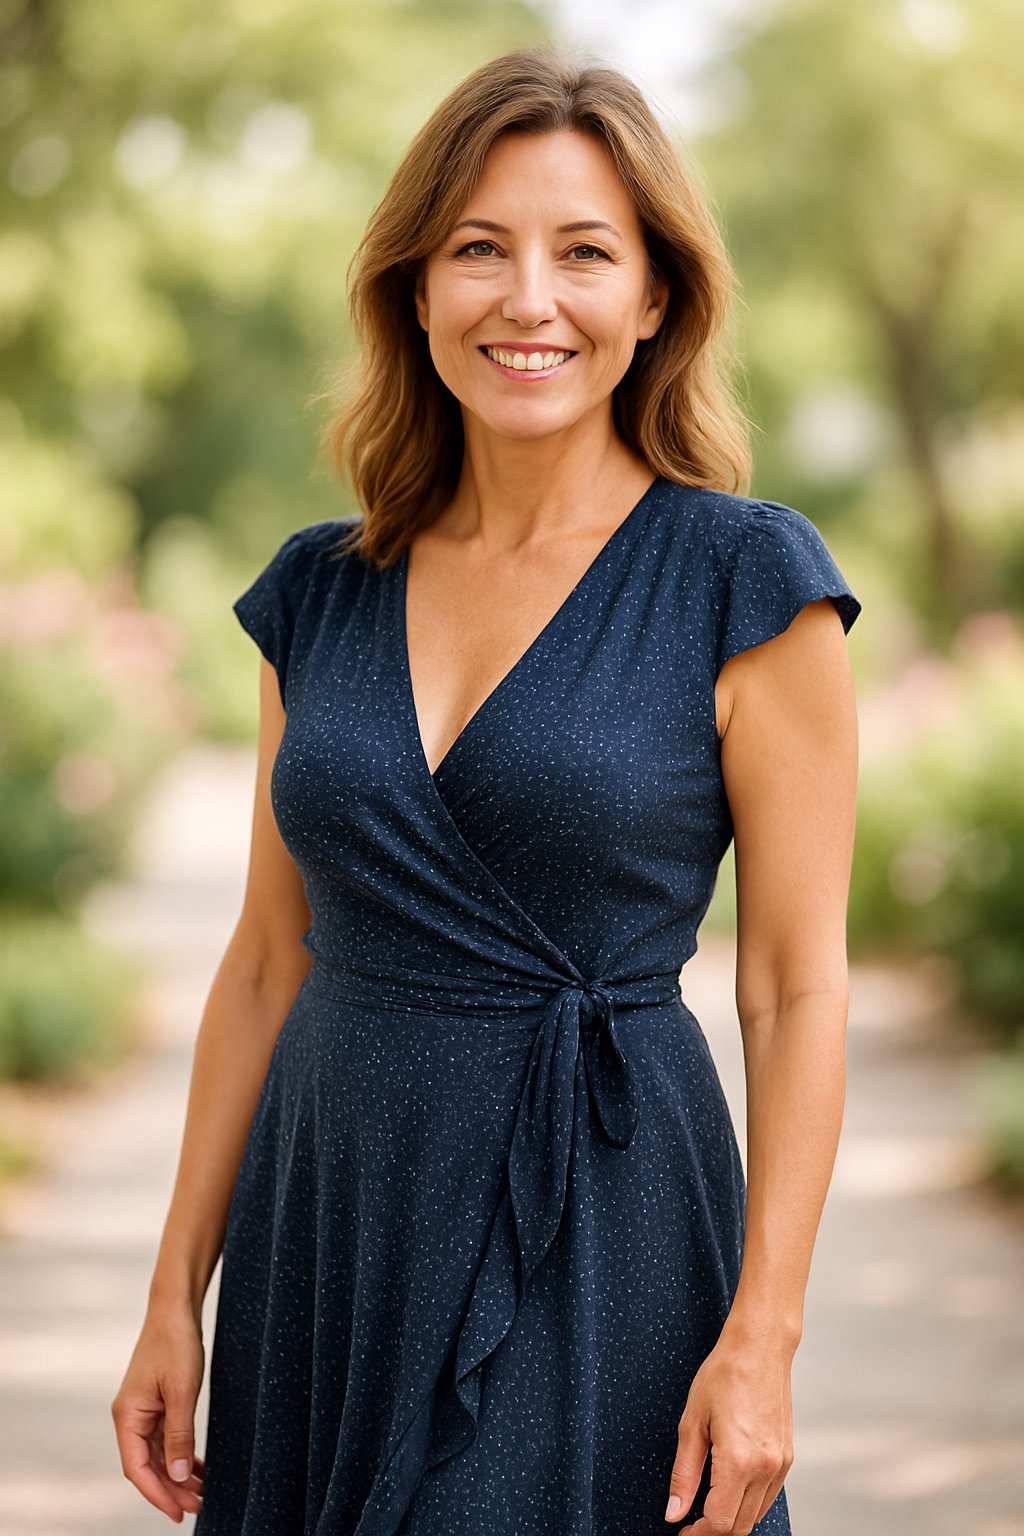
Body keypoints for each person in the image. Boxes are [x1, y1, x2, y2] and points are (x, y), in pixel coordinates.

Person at [111, 45, 862, 1536]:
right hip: (330, 1229)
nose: (529, 299)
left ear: (653, 301)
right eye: (478, 250)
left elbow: (794, 984)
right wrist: (170, 1300)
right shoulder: (316, 597)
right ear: (415, 290)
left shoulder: (744, 582)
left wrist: (765, 1334)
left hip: (606, 1227)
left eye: (585, 253)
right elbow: (266, 964)